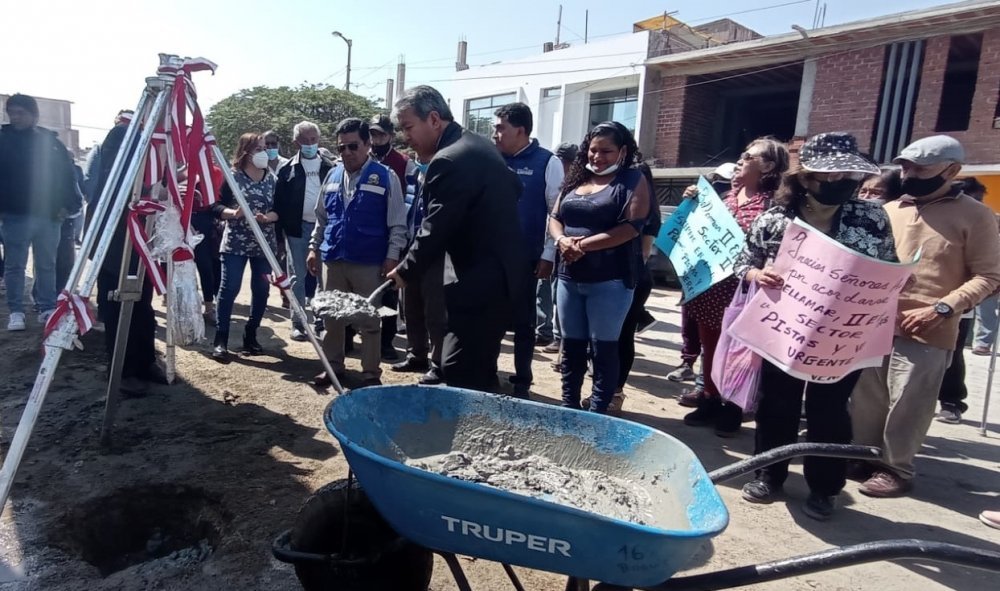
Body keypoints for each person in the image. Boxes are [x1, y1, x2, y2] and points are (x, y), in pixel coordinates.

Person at [735, 132, 895, 520]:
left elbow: (889, 266)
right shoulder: (774, 220)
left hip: (841, 336)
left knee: (830, 411)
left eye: (849, 177)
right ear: (805, 178)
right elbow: (743, 261)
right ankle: (769, 475)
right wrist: (758, 274)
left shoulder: (871, 218)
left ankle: (825, 487)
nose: (842, 184)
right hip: (784, 329)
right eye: (831, 177)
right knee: (777, 405)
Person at [852, 135, 1000, 497]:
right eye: (905, 166)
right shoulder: (889, 210)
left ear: (952, 170)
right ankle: (861, 455)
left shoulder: (977, 216)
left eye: (921, 168)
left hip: (931, 325)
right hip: (874, 320)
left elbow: (990, 276)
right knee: (866, 395)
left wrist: (944, 307)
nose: (909, 174)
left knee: (910, 401)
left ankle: (895, 468)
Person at [387, 85, 528, 393]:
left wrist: (404, 271)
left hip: (480, 280)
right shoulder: (478, 145)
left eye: (408, 127)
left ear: (434, 119)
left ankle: (471, 435)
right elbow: (515, 188)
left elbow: (435, 227)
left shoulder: (449, 159)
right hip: (499, 275)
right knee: (478, 366)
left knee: (460, 370)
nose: (405, 137)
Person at [682, 137, 790, 436]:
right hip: (710, 289)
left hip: (744, 292)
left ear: (768, 166)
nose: (741, 159)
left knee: (739, 353)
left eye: (749, 156)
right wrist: (693, 202)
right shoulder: (724, 199)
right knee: (711, 347)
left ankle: (734, 406)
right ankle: (709, 398)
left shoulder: (774, 207)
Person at [548, 121, 650, 413]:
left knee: (603, 349)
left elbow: (631, 227)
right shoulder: (576, 179)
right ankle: (568, 406)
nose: (598, 157)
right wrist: (562, 241)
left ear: (623, 151)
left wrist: (581, 245)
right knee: (572, 347)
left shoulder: (633, 179)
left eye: (606, 151)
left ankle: (598, 410)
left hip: (611, 281)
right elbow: (555, 218)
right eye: (593, 150)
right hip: (569, 277)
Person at [308, 118, 407, 387]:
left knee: (369, 321)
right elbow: (322, 218)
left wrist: (392, 255)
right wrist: (313, 248)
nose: (347, 152)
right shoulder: (332, 175)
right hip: (334, 257)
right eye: (342, 148)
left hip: (369, 260)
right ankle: (334, 368)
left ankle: (370, 374)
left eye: (353, 146)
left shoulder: (386, 176)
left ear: (367, 144)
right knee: (332, 318)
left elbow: (398, 222)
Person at [90, 107, 165, 394]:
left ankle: (146, 361)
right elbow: (119, 184)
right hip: (116, 237)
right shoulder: (123, 135)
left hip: (143, 239)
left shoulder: (160, 144)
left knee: (143, 304)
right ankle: (121, 371)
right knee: (117, 304)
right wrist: (151, 193)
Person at [493, 102, 563, 398]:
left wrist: (549, 254)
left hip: (526, 258)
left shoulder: (547, 162)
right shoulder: (492, 158)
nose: (495, 134)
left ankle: (522, 378)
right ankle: (488, 373)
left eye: (500, 128)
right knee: (491, 320)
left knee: (524, 323)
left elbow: (555, 212)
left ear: (520, 130)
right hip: (491, 257)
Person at [0, 93, 81, 331]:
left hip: (49, 216)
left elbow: (66, 176)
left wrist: (68, 206)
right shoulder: (3, 140)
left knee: (47, 263)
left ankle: (46, 307)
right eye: (11, 112)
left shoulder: (50, 142)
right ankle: (16, 311)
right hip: (15, 215)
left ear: (33, 115)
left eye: (20, 112)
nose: (15, 117)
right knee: (15, 265)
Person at [211, 132, 280, 361]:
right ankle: (221, 338)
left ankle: (251, 335)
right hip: (235, 243)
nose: (264, 152)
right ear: (246, 152)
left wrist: (268, 217)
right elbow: (216, 206)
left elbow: (281, 209)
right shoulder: (232, 177)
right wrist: (234, 213)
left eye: (265, 148)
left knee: (261, 290)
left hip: (264, 244)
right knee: (229, 287)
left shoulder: (272, 179)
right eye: (258, 148)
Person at [670, 162, 736, 391]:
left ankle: (706, 385)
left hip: (722, 279)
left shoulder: (734, 206)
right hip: (695, 270)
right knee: (690, 319)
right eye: (715, 180)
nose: (719, 185)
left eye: (724, 182)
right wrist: (689, 200)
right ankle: (688, 361)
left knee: (714, 331)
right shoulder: (701, 201)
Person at [607, 163, 661, 415]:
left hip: (632, 278)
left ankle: (615, 393)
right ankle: (604, 388)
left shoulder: (648, 212)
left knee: (622, 336)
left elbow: (644, 253)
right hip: (608, 277)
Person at [273, 121, 334, 341]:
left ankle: (321, 321)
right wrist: (280, 238)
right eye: (305, 140)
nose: (310, 144)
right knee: (297, 277)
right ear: (296, 142)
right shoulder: (287, 169)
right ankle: (298, 323)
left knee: (323, 278)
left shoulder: (331, 166)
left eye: (313, 140)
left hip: (325, 230)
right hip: (296, 230)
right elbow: (278, 205)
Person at [390, 155, 448, 385]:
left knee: (434, 311)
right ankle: (416, 355)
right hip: (410, 247)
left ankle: (438, 364)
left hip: (432, 252)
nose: (418, 158)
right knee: (409, 307)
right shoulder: (414, 175)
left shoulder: (442, 177)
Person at [368, 113, 415, 362]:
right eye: (373, 134)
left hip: (393, 236)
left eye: (381, 134)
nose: (376, 140)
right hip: (366, 236)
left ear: (391, 135)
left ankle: (386, 342)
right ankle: (352, 338)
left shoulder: (405, 163)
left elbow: (410, 203)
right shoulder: (362, 159)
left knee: (388, 291)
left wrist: (399, 242)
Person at [538, 141, 579, 353]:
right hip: (553, 245)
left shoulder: (580, 185)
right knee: (548, 293)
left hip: (566, 250)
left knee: (559, 296)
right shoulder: (563, 185)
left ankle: (561, 340)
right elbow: (552, 216)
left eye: (563, 162)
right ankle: (555, 336)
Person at [963, 177, 999, 357]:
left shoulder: (989, 217)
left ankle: (983, 343)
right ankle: (980, 342)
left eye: (980, 199)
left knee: (987, 308)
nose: (978, 204)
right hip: (961, 277)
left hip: (988, 272)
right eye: (974, 199)